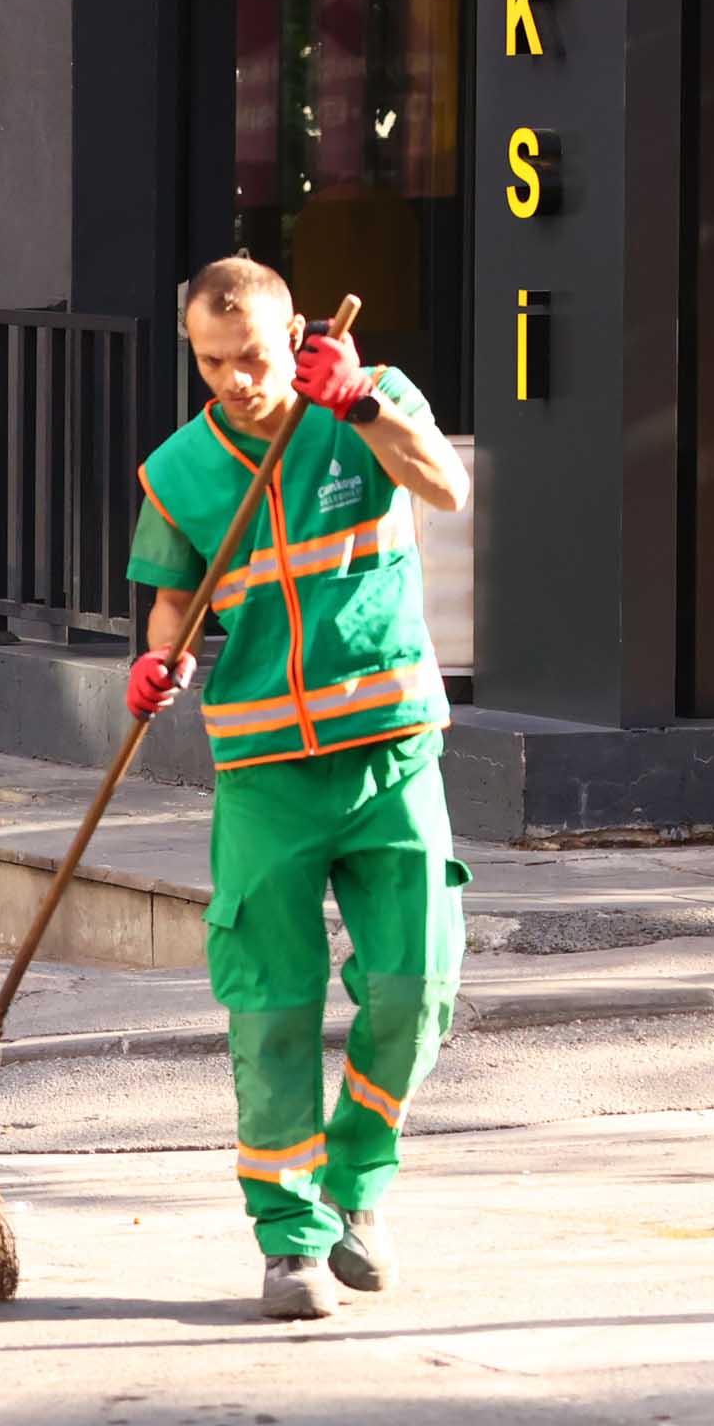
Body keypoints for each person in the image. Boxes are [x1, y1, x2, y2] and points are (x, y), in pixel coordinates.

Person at [124, 256, 471, 1323]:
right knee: (272, 1009)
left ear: (296, 336)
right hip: (266, 773)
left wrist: (357, 401)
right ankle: (288, 1240)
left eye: (254, 358)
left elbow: (445, 487)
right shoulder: (178, 471)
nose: (234, 379)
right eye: (213, 360)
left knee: (415, 990)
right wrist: (159, 661)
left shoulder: (368, 402)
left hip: (393, 752)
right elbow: (171, 605)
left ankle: (357, 1188)